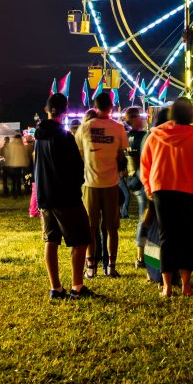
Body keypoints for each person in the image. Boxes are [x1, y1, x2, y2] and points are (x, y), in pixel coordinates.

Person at [140, 97, 193, 297]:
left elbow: (145, 164)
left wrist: (148, 187)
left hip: (161, 190)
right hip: (189, 191)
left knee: (167, 236)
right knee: (187, 237)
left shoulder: (155, 135)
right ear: (190, 114)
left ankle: (166, 286)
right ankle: (186, 286)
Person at [35, 93, 95, 300]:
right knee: (81, 238)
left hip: (45, 197)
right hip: (65, 197)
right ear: (66, 111)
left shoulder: (39, 138)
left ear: (46, 110)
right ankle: (77, 287)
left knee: (51, 240)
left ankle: (56, 288)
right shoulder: (65, 137)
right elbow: (76, 168)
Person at [75, 92, 128, 279]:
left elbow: (80, 154)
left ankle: (91, 267)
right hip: (111, 183)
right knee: (112, 228)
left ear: (95, 106)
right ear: (111, 107)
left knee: (90, 227)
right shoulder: (118, 128)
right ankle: (110, 267)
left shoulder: (85, 128)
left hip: (90, 183)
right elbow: (121, 156)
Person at [123, 106, 148, 268]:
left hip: (132, 179)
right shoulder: (143, 137)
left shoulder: (125, 137)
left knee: (143, 215)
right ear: (133, 119)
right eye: (139, 116)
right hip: (143, 180)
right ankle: (140, 256)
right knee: (144, 217)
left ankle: (142, 254)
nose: (143, 119)